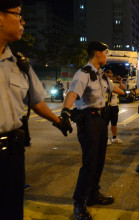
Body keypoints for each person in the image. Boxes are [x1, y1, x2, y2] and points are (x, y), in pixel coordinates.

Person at [0, 1, 71, 219]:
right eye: (18, 15)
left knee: (12, 210)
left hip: (12, 154)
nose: (23, 22)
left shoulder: (19, 64)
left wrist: (58, 121)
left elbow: (36, 100)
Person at [61, 41, 125, 220]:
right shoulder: (84, 73)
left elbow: (114, 89)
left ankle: (93, 194)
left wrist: (129, 94)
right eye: (105, 53)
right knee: (89, 163)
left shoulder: (102, 75)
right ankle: (79, 203)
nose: (106, 56)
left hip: (101, 120)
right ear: (98, 53)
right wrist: (65, 111)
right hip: (88, 120)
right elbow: (73, 93)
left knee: (99, 161)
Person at [105, 70, 126, 145]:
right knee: (105, 124)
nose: (109, 75)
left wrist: (120, 82)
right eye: (108, 74)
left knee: (114, 123)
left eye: (110, 74)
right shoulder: (104, 83)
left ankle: (114, 138)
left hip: (114, 106)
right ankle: (106, 139)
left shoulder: (114, 84)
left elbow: (123, 88)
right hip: (106, 107)